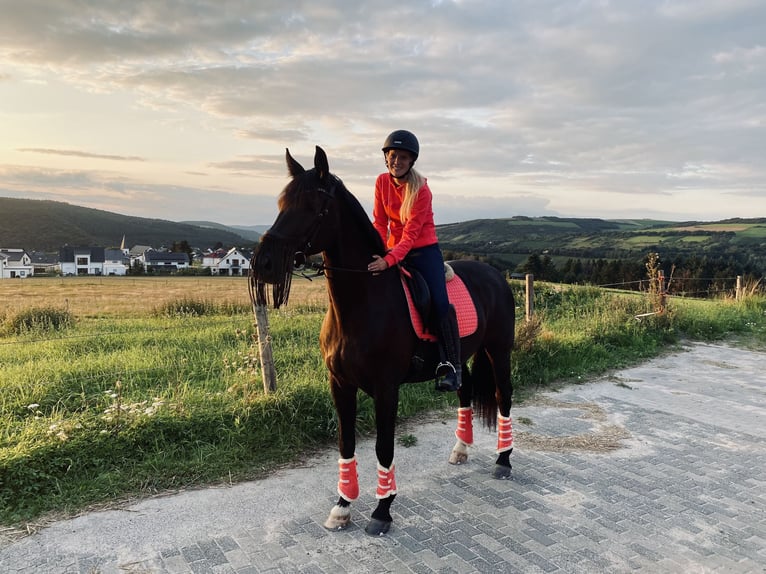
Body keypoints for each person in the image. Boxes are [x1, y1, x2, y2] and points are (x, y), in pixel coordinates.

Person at [367, 130, 461, 392]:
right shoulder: (381, 182)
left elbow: (410, 235)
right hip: (393, 250)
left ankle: (453, 366)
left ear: (412, 161)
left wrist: (389, 260)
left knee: (439, 302)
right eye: (393, 155)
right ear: (386, 157)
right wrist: (377, 252)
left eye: (404, 157)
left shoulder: (421, 190)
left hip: (423, 251)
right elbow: (379, 223)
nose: (397, 161)